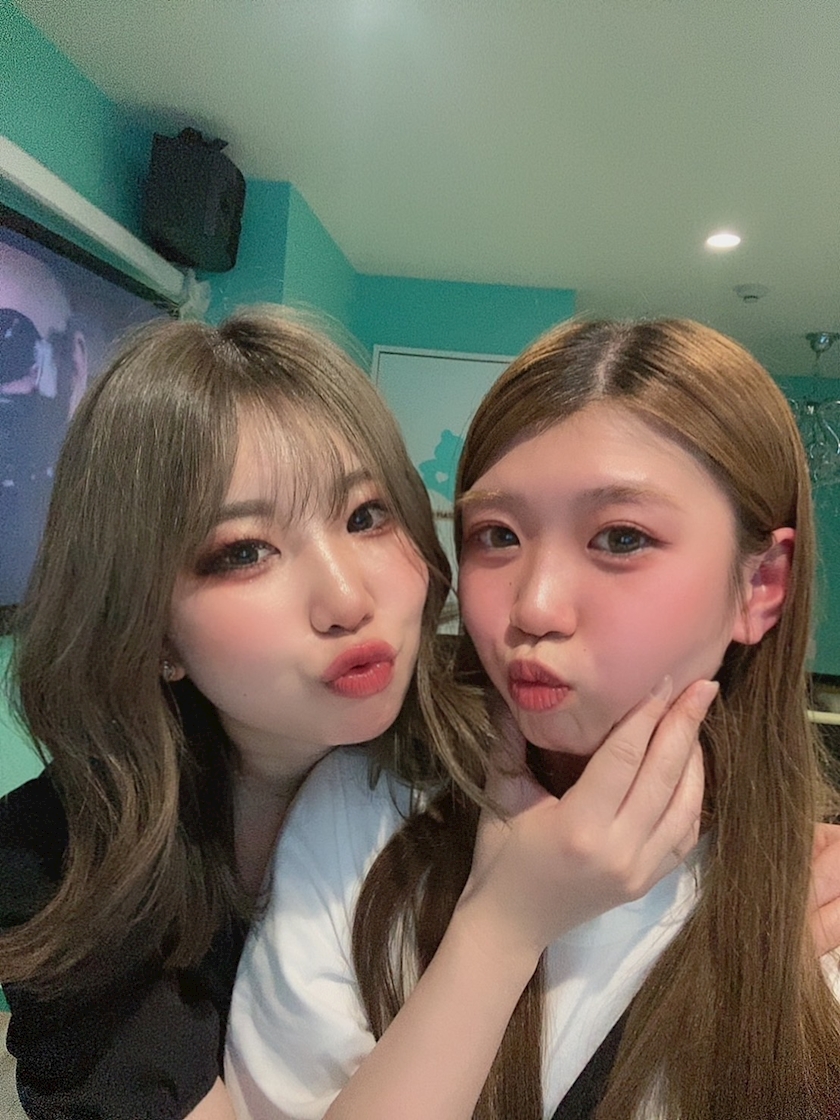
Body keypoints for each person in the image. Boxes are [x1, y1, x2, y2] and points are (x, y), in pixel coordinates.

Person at [0, 307, 714, 1120]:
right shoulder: (57, 863)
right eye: (244, 552)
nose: (347, 600)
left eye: (367, 516)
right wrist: (503, 925)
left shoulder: (511, 735)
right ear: (152, 629)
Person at [225, 318, 840, 1120]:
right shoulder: (366, 814)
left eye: (621, 537)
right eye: (498, 536)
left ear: (761, 586)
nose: (535, 607)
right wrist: (501, 923)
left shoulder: (815, 903)